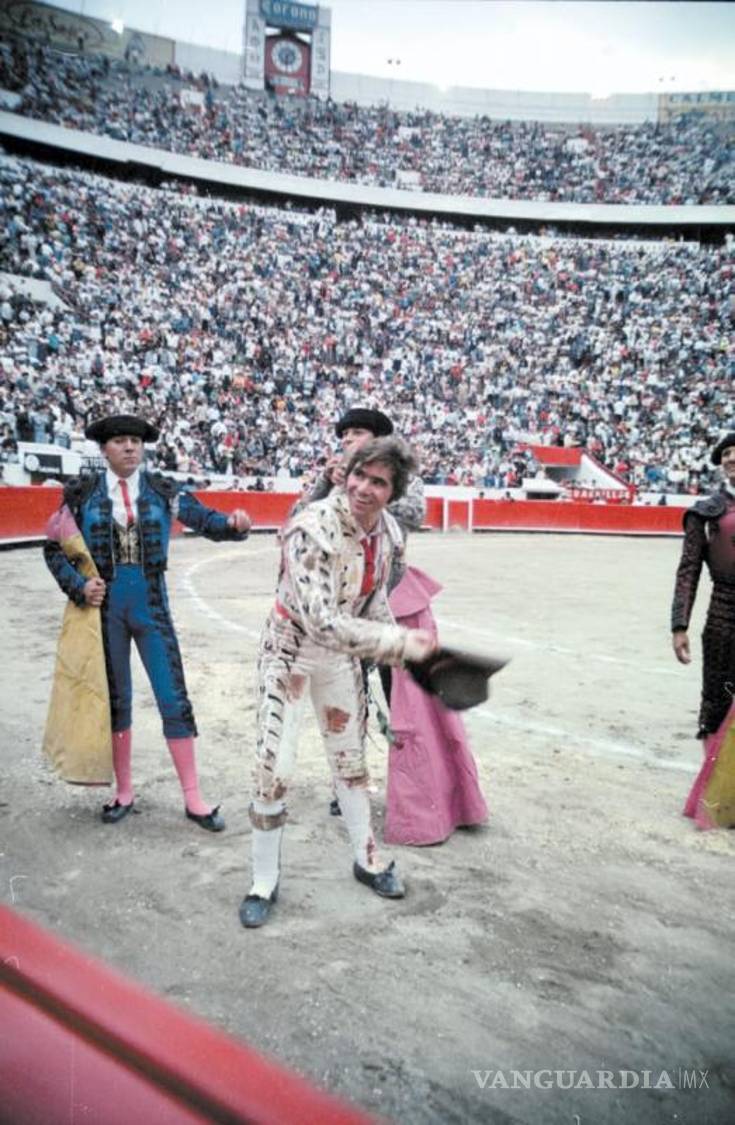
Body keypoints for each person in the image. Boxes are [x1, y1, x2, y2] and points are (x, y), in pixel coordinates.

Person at [239, 436, 437, 928]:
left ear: (393, 492)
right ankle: (262, 881)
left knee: (350, 761)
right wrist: (398, 644)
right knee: (274, 766)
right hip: (290, 653)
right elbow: (322, 622)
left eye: (379, 482)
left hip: (340, 659)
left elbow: (374, 600)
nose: (364, 488)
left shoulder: (388, 532)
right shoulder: (312, 527)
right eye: (359, 475)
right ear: (345, 474)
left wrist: (398, 646)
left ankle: (367, 859)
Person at [43, 413, 251, 830]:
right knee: (117, 700)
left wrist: (232, 525)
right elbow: (53, 548)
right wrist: (79, 586)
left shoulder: (162, 489)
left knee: (173, 697)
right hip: (105, 612)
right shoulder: (81, 494)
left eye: (136, 441)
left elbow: (204, 519)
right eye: (120, 441)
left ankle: (193, 798)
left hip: (152, 607)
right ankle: (124, 792)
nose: (130, 447)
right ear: (104, 449)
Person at [297, 406, 489, 845]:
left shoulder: (399, 475)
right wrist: (328, 481)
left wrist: (361, 485)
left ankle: (418, 791)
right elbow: (300, 517)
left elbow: (414, 511)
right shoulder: (338, 474)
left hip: (393, 603)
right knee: (348, 698)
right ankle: (349, 781)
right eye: (345, 433)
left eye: (357, 432)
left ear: (379, 439)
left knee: (406, 705)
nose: (347, 439)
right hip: (346, 610)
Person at [672, 431, 735, 829]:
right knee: (717, 702)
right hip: (724, 614)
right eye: (726, 453)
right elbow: (688, 572)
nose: (732, 458)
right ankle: (716, 798)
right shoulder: (706, 512)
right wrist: (679, 625)